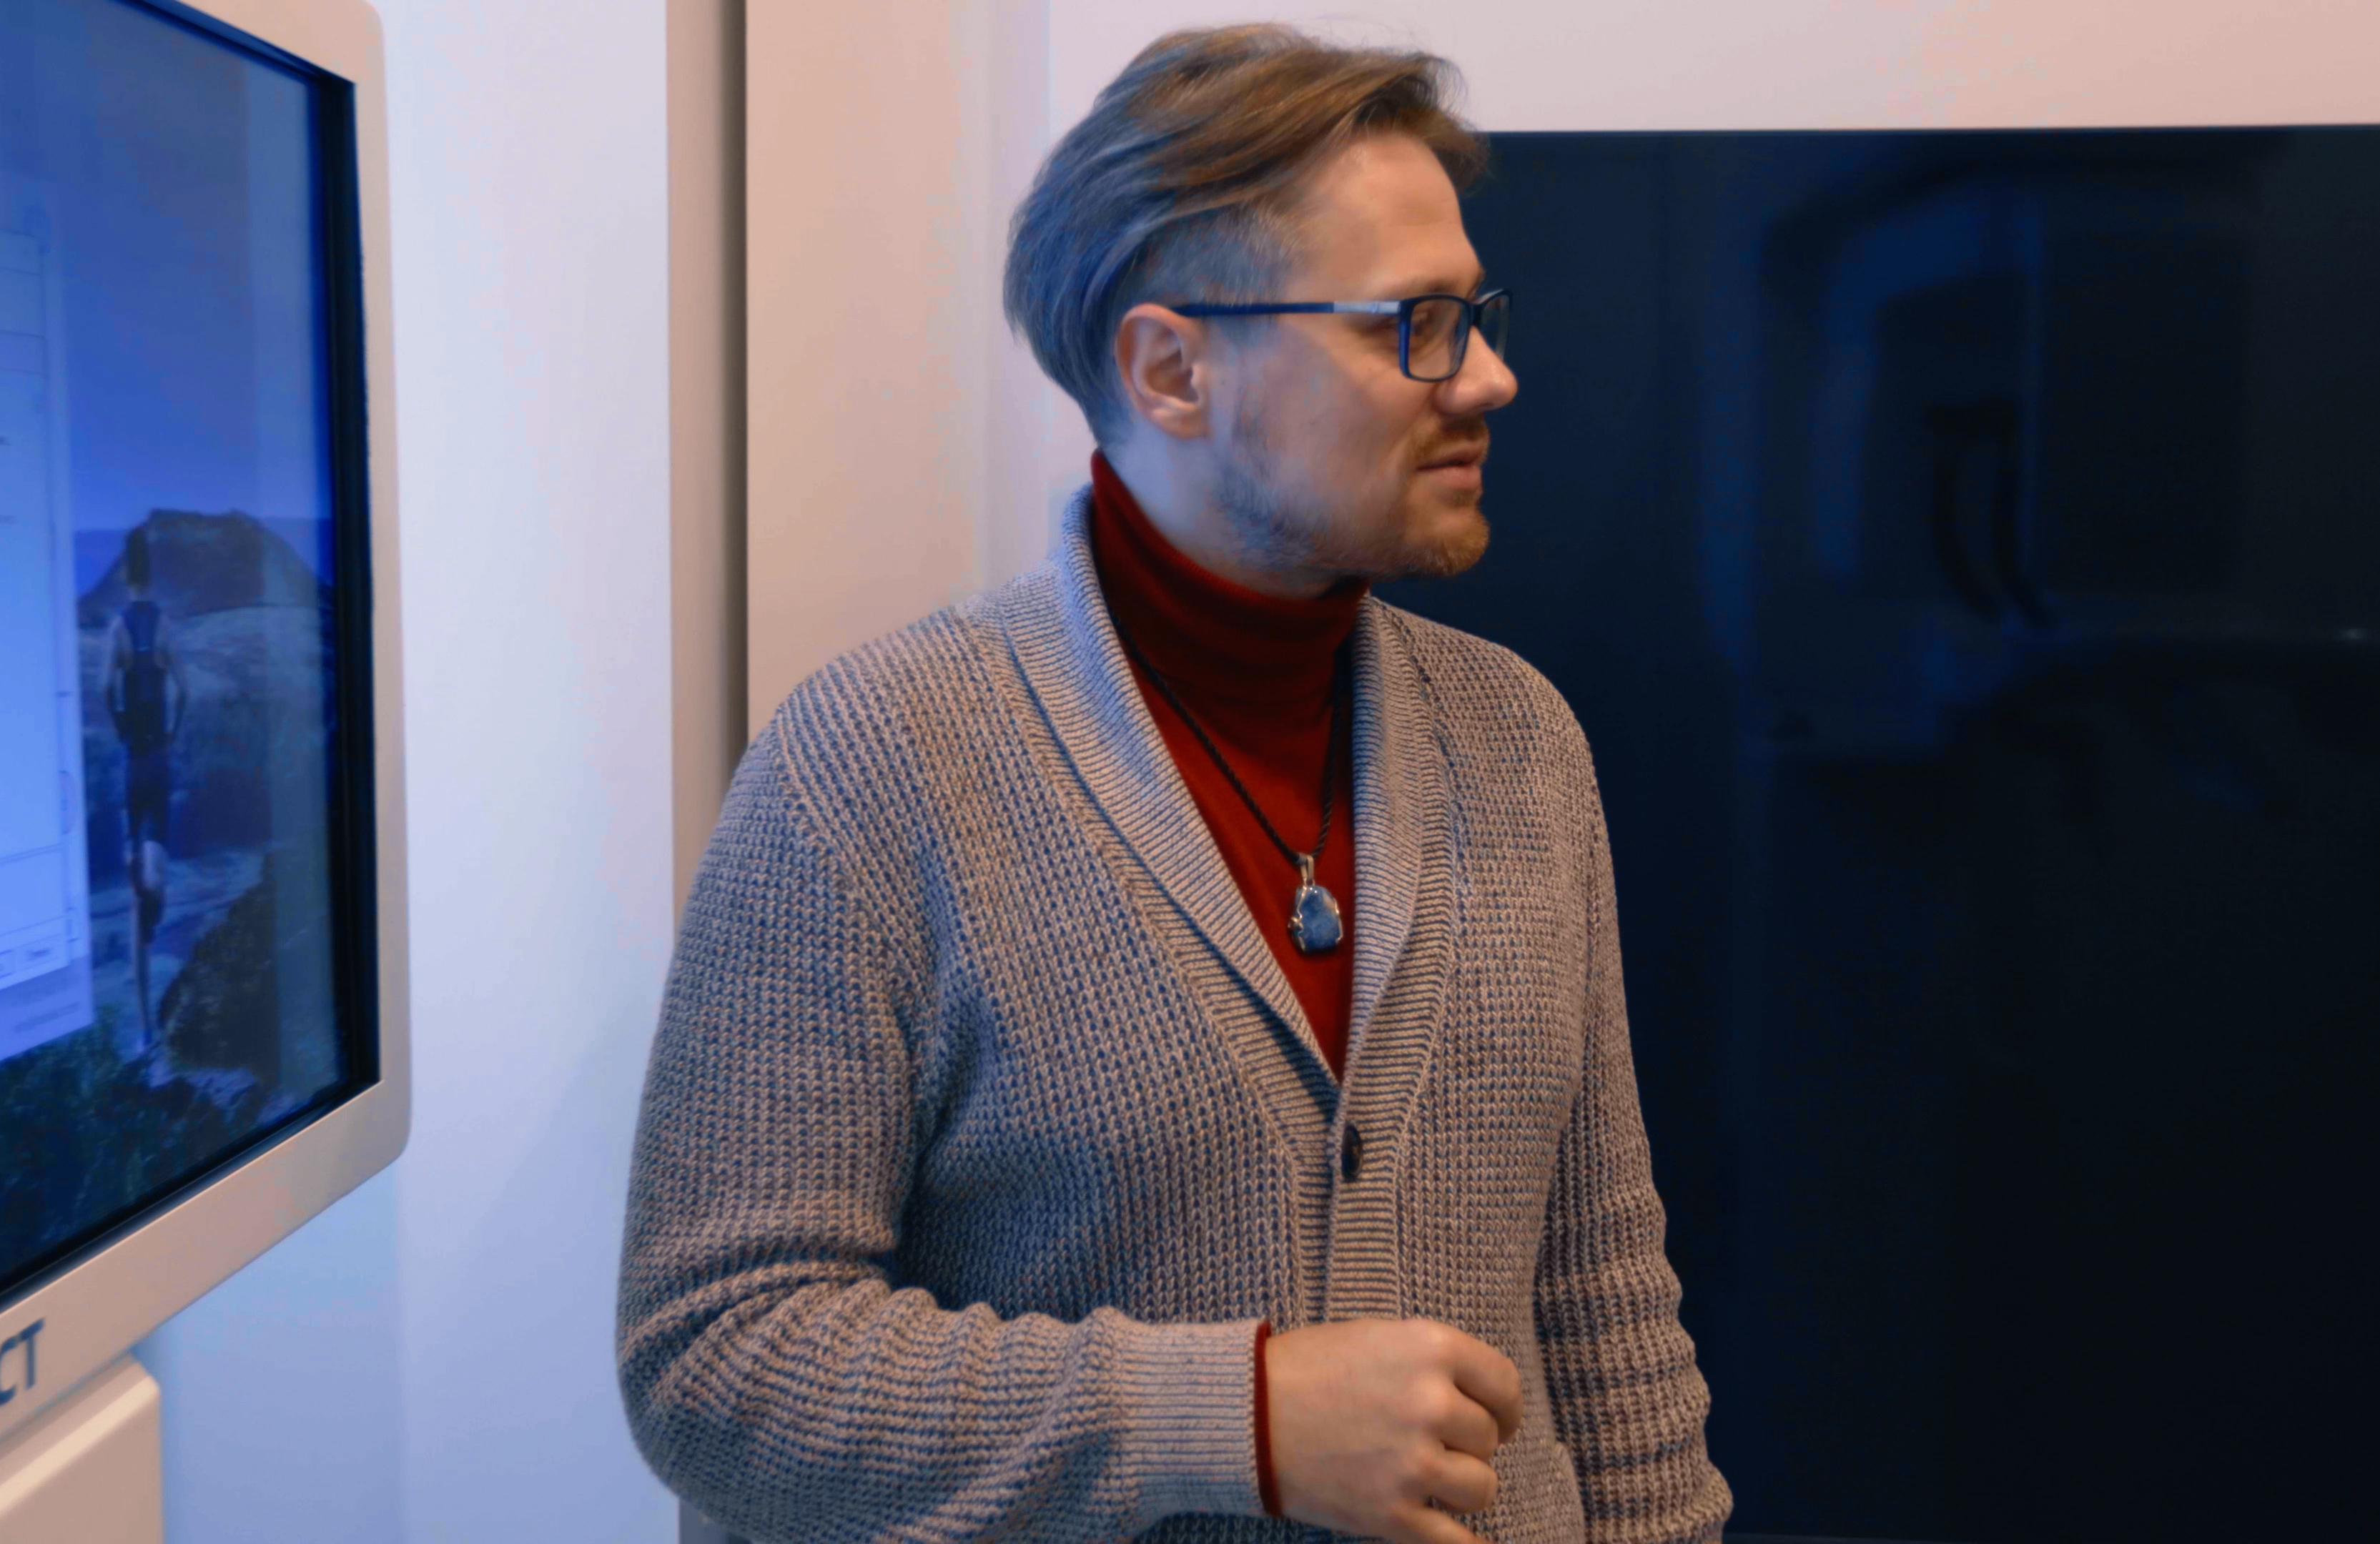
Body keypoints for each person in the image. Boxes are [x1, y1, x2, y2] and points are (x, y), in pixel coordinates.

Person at [619, 26, 1729, 1543]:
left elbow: (1602, 1302)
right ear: (1171, 368)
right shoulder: (873, 767)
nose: (1488, 375)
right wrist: (1238, 1418)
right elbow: (714, 1362)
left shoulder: (1518, 741)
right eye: (1413, 324)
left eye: (1472, 315)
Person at [104, 523, 188, 1054]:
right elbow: (186, 690)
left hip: (133, 765)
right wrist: (171, 734)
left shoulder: (117, 629)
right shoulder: (164, 628)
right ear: (150, 576)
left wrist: (122, 731)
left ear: (125, 576)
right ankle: (152, 890)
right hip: (159, 761)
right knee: (153, 874)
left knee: (138, 897)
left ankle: (143, 1028)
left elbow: (102, 689)